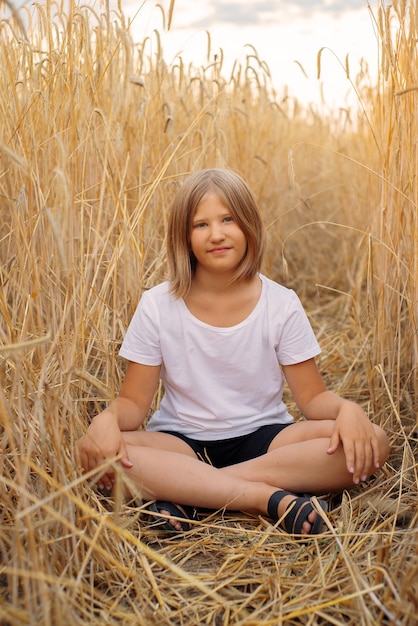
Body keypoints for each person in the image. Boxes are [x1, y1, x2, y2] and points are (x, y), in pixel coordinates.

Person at [78, 168, 390, 536]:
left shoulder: (280, 303)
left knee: (374, 441)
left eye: (228, 219)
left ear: (248, 226)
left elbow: (313, 398)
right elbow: (133, 404)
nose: (217, 234)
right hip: (179, 443)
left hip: (268, 441)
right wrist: (106, 420)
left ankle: (191, 493)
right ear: (184, 237)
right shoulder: (157, 305)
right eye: (201, 225)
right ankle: (267, 498)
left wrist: (347, 410)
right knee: (97, 455)